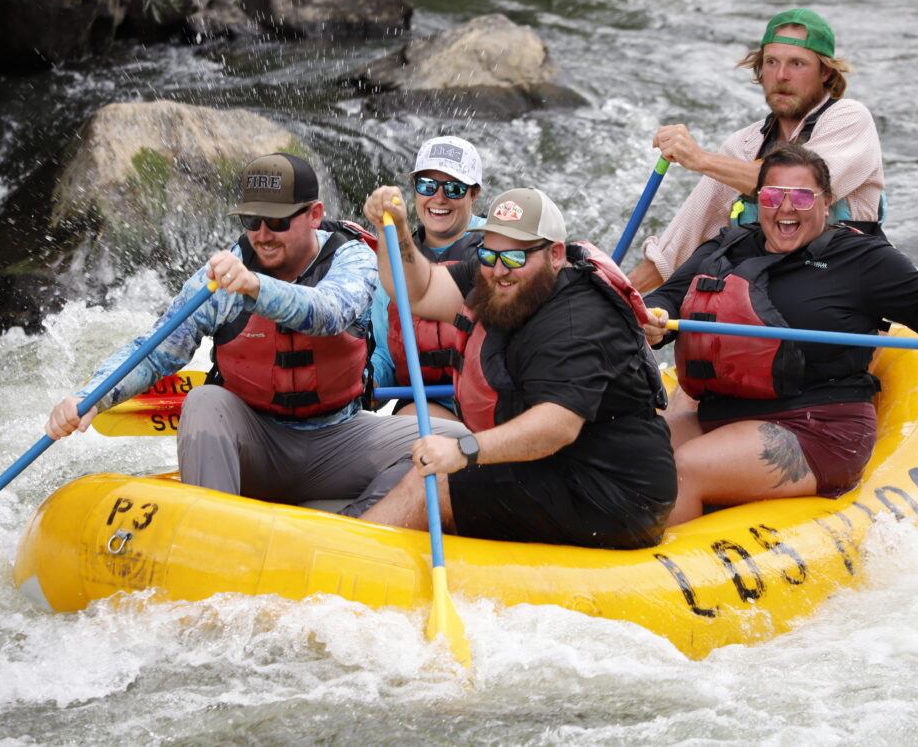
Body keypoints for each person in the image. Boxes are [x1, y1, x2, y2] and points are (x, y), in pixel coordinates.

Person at [45, 153, 468, 512]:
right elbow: (157, 351)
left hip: (337, 440)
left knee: (457, 441)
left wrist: (255, 287)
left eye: (278, 222)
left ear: (314, 214)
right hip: (256, 443)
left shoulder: (352, 259)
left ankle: (358, 528)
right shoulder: (221, 275)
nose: (263, 235)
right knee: (206, 400)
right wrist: (91, 397)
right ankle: (214, 532)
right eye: (252, 220)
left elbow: (330, 313)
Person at [642, 143, 918, 525]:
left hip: (818, 426)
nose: (786, 208)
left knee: (683, 467)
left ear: (825, 202)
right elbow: (669, 296)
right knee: (631, 453)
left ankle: (662, 572)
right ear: (757, 200)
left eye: (800, 196)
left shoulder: (861, 257)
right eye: (772, 196)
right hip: (725, 413)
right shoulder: (726, 248)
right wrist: (655, 316)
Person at [355, 185, 678, 549]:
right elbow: (420, 291)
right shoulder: (497, 275)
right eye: (489, 255)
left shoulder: (578, 320)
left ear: (556, 254)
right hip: (549, 468)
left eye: (513, 259)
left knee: (427, 485)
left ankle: (352, 560)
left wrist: (463, 451)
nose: (498, 271)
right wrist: (395, 231)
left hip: (613, 493)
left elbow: (556, 427)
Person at [629, 7, 886, 294]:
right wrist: (621, 293)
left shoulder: (850, 118)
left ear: (825, 72)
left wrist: (700, 159)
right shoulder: (743, 145)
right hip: (771, 293)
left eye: (797, 64)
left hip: (843, 286)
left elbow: (794, 184)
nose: (781, 75)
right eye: (771, 62)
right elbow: (684, 241)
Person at [368, 135, 487, 420]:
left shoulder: (501, 249)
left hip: (490, 405)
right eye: (427, 185)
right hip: (427, 405)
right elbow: (384, 354)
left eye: (455, 188)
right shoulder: (389, 257)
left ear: (474, 193)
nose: (439, 197)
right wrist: (366, 382)